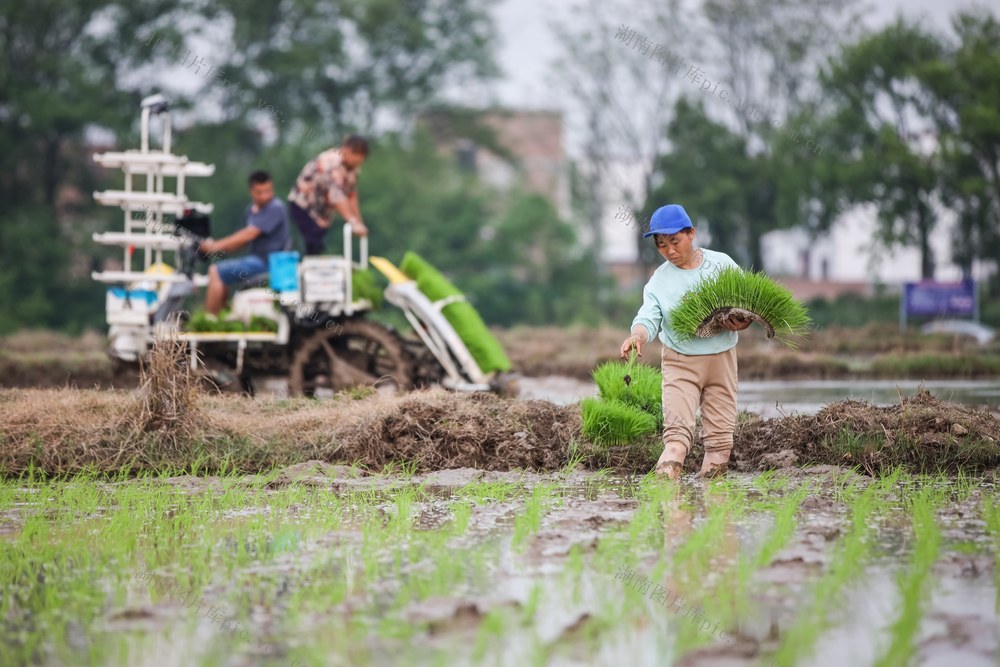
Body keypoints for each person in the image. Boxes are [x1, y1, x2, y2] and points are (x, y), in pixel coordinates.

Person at [619, 204, 751, 480]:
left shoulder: (722, 265)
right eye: (662, 245)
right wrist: (637, 336)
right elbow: (648, 316)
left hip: (722, 361)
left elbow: (749, 302)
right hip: (680, 364)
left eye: (675, 241)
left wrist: (745, 319)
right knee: (677, 443)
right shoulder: (660, 280)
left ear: (692, 233)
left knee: (720, 445)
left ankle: (716, 514)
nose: (669, 251)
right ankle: (668, 513)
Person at [199, 170, 290, 315]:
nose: (265, 196)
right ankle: (223, 316)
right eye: (260, 192)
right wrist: (217, 250)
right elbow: (241, 243)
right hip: (255, 260)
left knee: (215, 271)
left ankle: (209, 321)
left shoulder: (275, 207)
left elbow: (248, 234)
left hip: (268, 263)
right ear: (251, 191)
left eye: (268, 191)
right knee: (223, 269)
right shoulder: (251, 211)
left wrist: (215, 246)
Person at [287, 135, 369, 255]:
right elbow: (337, 197)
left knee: (318, 246)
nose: (357, 158)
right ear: (345, 149)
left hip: (323, 214)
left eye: (361, 154)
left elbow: (351, 195)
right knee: (313, 242)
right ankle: (301, 268)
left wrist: (358, 222)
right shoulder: (332, 162)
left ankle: (311, 266)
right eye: (354, 152)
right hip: (303, 205)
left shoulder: (354, 169)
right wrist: (352, 222)